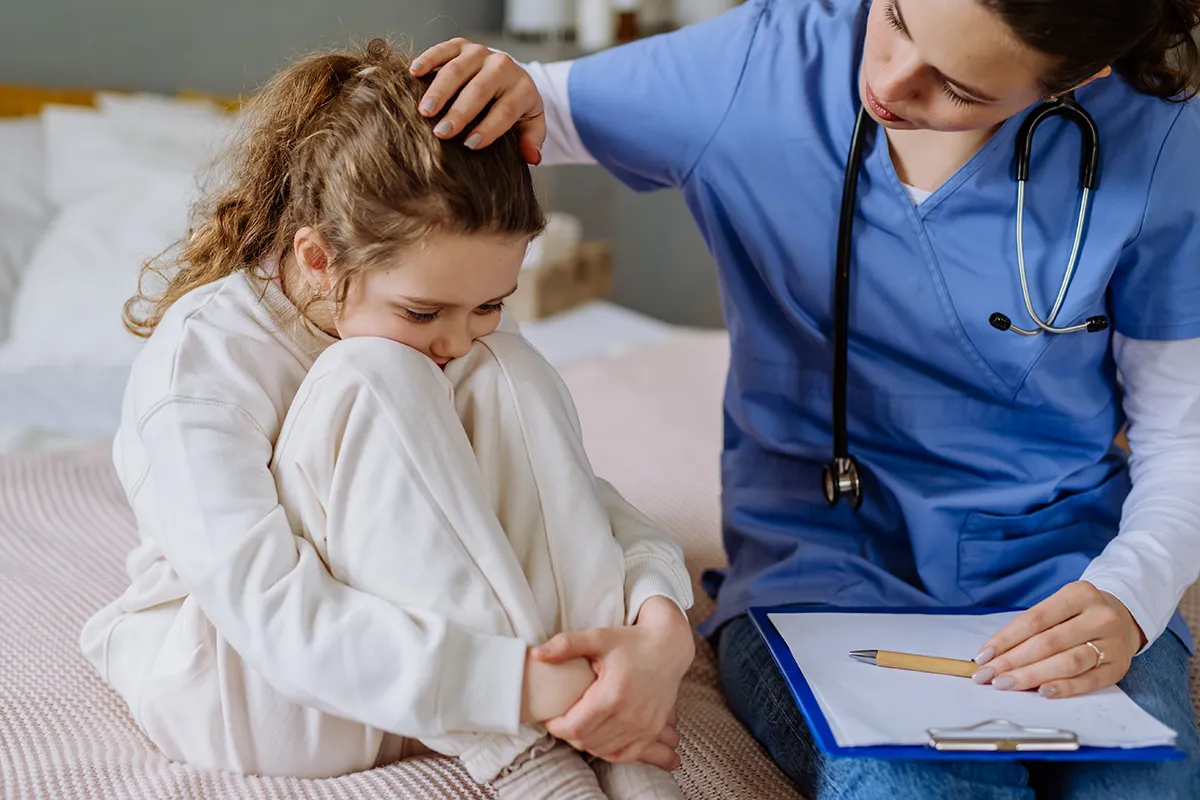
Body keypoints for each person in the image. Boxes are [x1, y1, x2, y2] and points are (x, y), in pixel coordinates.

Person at [410, 0, 1200, 796]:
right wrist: (483, 87)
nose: (889, 80)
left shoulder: (1160, 138)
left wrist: (1129, 596)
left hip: (1066, 569)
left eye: (958, 87)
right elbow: (515, 108)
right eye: (893, 16)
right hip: (821, 576)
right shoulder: (767, 62)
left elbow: (1182, 438)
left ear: (1081, 78)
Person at [78, 39, 695, 800]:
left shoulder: (458, 326)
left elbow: (561, 491)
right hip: (270, 692)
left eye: (491, 303)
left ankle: (616, 732)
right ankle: (530, 757)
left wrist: (656, 630)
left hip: (439, 666)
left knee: (512, 370)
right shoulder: (205, 361)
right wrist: (529, 690)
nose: (457, 335)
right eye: (424, 309)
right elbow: (272, 612)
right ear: (315, 259)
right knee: (376, 370)